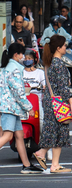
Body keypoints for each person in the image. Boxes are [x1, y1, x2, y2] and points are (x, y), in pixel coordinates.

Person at [32, 36, 72, 173]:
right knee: (59, 131)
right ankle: (50, 160)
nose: (65, 47)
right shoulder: (58, 64)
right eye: (64, 45)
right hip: (58, 102)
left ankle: (51, 161)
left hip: (50, 100)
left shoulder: (49, 63)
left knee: (55, 131)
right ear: (58, 48)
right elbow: (63, 87)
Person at [0, 42, 42, 174]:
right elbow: (18, 91)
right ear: (16, 55)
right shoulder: (15, 69)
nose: (24, 57)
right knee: (7, 135)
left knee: (19, 135)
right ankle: (26, 165)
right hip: (11, 108)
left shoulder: (7, 67)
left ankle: (26, 165)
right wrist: (28, 107)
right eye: (22, 54)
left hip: (10, 107)